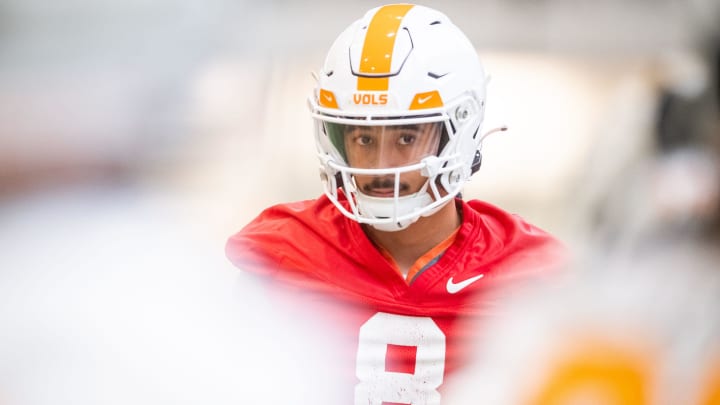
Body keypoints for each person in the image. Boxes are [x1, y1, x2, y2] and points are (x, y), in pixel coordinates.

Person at [226, 3, 566, 404]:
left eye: (406, 138)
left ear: (459, 132)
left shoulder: (532, 274)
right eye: (364, 139)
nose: (381, 165)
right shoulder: (283, 251)